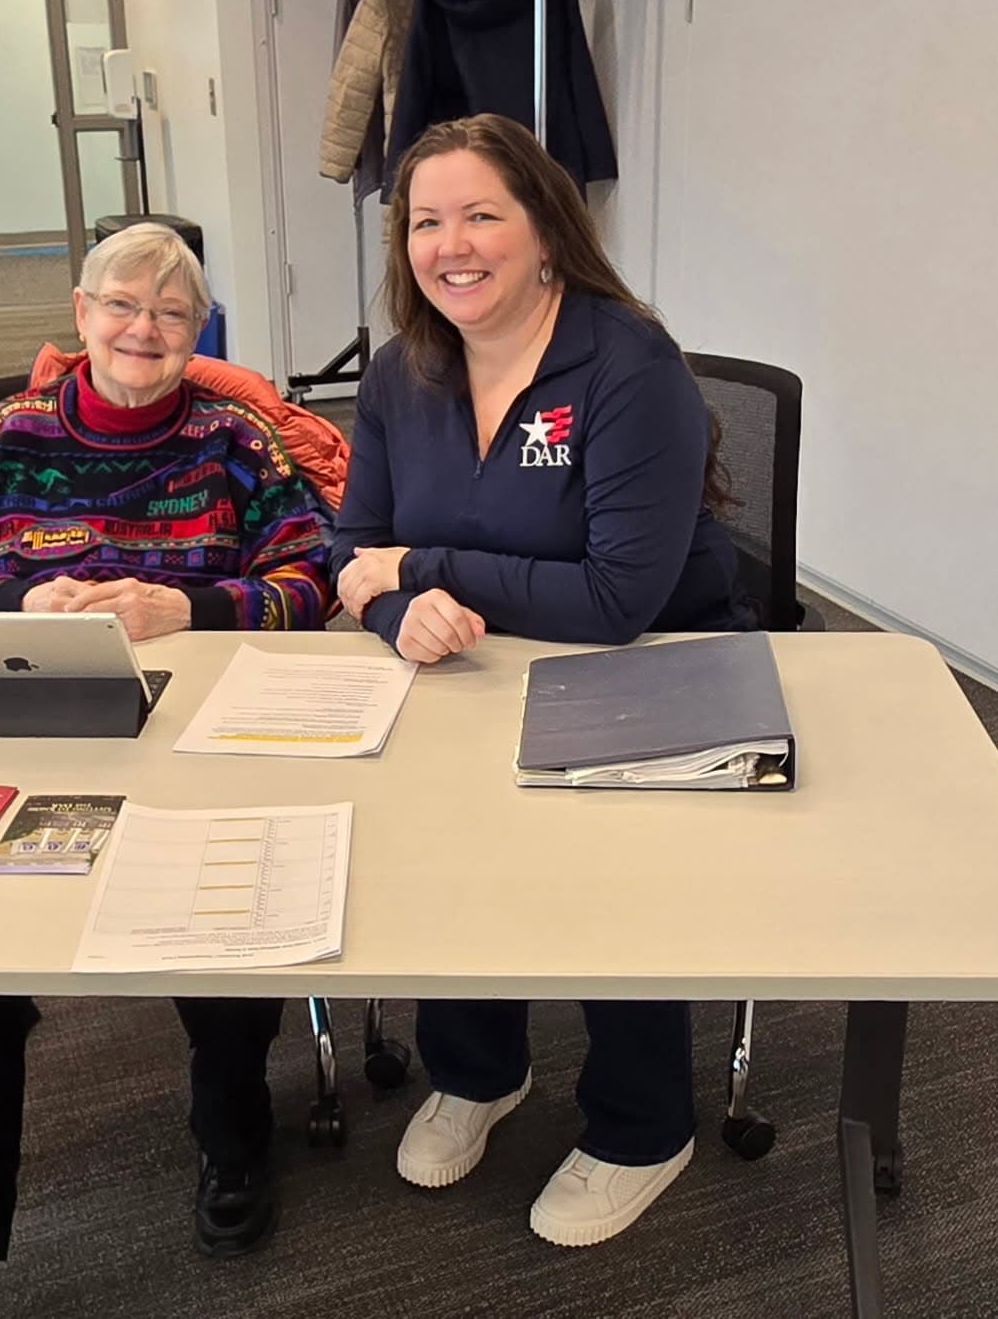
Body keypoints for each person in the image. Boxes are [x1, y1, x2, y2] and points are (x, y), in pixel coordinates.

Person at [0, 223, 333, 1318]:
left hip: (198, 730)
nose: (145, 329)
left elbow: (312, 580)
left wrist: (185, 606)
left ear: (199, 333)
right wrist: (12, 599)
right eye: (123, 306)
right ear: (81, 315)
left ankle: (232, 1130)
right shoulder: (8, 435)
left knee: (222, 909)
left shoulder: (236, 439)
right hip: (28, 723)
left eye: (173, 313)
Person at [331, 113, 751, 1249]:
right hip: (473, 664)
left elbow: (616, 599)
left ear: (547, 232)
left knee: (607, 871)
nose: (450, 244)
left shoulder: (626, 365)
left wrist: (425, 568)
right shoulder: (397, 371)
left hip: (644, 660)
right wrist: (388, 605)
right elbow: (349, 549)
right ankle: (477, 1072)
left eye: (481, 215)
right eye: (426, 220)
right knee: (441, 845)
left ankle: (640, 1125)